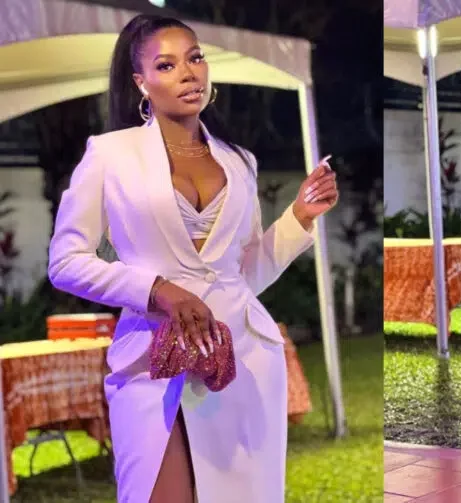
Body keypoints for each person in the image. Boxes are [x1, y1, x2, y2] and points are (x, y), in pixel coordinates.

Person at [47, 14, 338, 503]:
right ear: (141, 82)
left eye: (195, 58)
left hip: (240, 359)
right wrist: (158, 290)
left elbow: (242, 276)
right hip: (151, 361)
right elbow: (65, 261)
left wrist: (299, 218)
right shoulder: (110, 155)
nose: (188, 73)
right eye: (166, 65)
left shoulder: (239, 161)